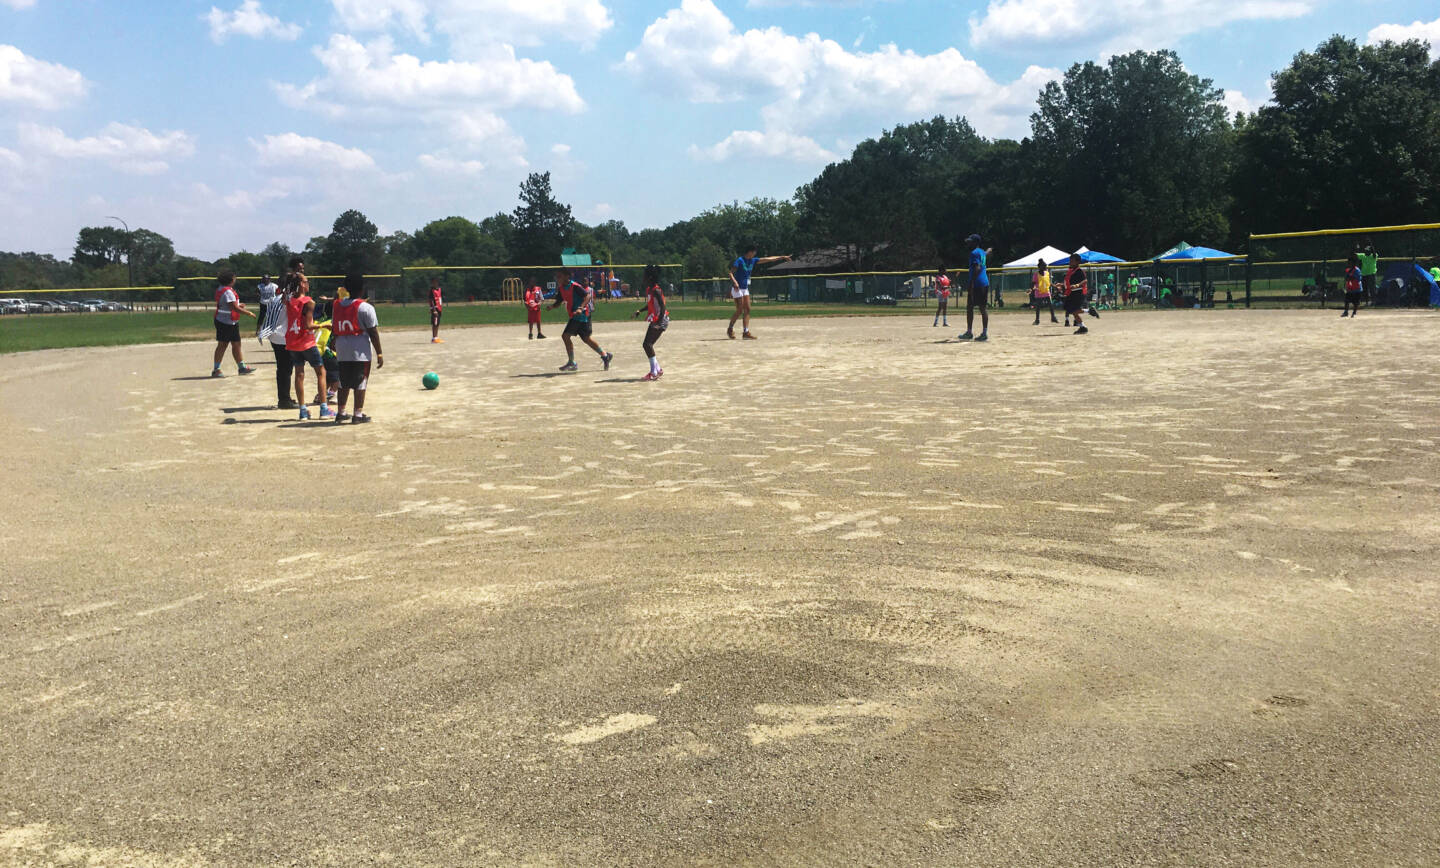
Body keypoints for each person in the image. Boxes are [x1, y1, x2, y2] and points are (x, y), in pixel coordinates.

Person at [331, 273, 383, 423]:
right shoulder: (365, 307)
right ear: (362, 289)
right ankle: (357, 415)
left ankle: (341, 413)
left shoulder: (337, 305)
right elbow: (373, 332)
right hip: (359, 350)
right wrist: (379, 353)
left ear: (346, 288)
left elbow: (335, 327)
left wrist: (334, 343)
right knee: (361, 381)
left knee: (343, 381)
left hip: (342, 348)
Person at [285, 274, 333, 420]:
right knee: (321, 372)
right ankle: (324, 408)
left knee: (299, 374)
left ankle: (302, 410)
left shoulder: (289, 300)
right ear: (301, 285)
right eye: (306, 281)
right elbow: (308, 325)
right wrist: (325, 325)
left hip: (292, 342)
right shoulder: (308, 302)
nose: (308, 283)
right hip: (306, 342)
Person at [548, 267, 612, 372]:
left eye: (559, 276)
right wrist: (552, 306)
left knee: (565, 336)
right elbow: (559, 300)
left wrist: (581, 308)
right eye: (557, 276)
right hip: (576, 316)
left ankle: (572, 362)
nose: (557, 278)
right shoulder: (562, 288)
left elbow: (587, 296)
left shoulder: (575, 286)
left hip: (580, 315)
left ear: (567, 276)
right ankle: (605, 355)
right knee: (586, 339)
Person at [728, 245, 791, 340]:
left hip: (745, 288)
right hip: (737, 288)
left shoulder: (753, 261)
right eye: (754, 252)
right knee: (740, 310)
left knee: (748, 309)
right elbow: (730, 273)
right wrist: (735, 282)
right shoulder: (740, 260)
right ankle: (730, 328)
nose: (755, 254)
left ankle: (746, 332)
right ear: (749, 252)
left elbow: (768, 259)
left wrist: (782, 257)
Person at [257, 273, 295, 409]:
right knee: (285, 369)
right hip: (283, 337)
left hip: (275, 336)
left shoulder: (276, 298)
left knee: (283, 368)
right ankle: (284, 399)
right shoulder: (289, 299)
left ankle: (285, 397)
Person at [211, 270, 257, 377]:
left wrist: (238, 304)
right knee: (223, 344)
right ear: (231, 280)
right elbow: (233, 307)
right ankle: (216, 369)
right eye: (234, 278)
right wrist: (248, 313)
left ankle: (242, 367)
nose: (235, 279)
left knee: (236, 344)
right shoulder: (227, 291)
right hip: (224, 321)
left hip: (230, 321)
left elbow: (229, 304)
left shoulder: (223, 289)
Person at [632, 264, 668, 381]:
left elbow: (662, 307)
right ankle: (658, 369)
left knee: (647, 344)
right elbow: (650, 305)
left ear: (650, 277)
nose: (643, 277)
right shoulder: (649, 290)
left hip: (660, 319)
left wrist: (659, 322)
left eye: (645, 275)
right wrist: (640, 311)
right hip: (656, 319)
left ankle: (654, 372)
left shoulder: (656, 290)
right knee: (647, 344)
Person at [958, 233, 991, 342]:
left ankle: (969, 332)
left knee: (970, 307)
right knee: (982, 308)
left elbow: (976, 268)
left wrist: (971, 283)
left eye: (970, 242)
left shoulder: (974, 253)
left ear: (975, 243)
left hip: (977, 284)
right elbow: (985, 253)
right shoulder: (981, 252)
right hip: (985, 282)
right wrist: (989, 251)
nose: (968, 243)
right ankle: (984, 332)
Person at [1063, 256, 1089, 335]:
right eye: (1070, 260)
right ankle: (1082, 327)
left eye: (1072, 261)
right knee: (1070, 309)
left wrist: (1077, 285)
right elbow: (1069, 282)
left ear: (1077, 262)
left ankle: (1084, 324)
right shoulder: (1071, 271)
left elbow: (1085, 280)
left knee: (1073, 310)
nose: (1070, 262)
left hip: (1078, 293)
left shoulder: (1079, 270)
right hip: (1072, 293)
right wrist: (1061, 285)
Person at [1032, 259, 1058, 325]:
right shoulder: (1036, 274)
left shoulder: (1047, 273)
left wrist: (1055, 286)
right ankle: (1037, 320)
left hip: (1046, 291)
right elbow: (1033, 283)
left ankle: (1053, 317)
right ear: (1040, 267)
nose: (1045, 267)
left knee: (1051, 305)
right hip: (1039, 291)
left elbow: (1048, 282)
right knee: (1038, 306)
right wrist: (1032, 288)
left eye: (1045, 266)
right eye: (1044, 266)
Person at [1356, 238, 1379, 303]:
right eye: (1365, 251)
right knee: (1365, 288)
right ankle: (1366, 301)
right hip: (1364, 274)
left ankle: (1373, 301)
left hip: (1372, 274)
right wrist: (1357, 247)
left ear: (1370, 251)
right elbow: (1355, 255)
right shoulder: (1363, 256)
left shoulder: (1373, 256)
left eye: (1367, 251)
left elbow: (1374, 253)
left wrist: (1371, 245)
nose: (1365, 252)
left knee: (1372, 288)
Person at [1341, 253, 1363, 318]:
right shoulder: (1347, 270)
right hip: (1350, 288)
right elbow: (1346, 278)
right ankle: (1346, 312)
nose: (1349, 264)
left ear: (1354, 263)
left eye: (1350, 263)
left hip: (1357, 289)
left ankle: (1354, 312)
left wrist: (1350, 277)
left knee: (1355, 302)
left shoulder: (1357, 270)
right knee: (1346, 300)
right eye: (1348, 263)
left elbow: (1358, 278)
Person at [428, 276, 444, 343]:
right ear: (432, 283)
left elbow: (439, 299)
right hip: (435, 309)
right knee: (435, 323)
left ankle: (436, 337)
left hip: (439, 308)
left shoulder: (439, 289)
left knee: (437, 323)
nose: (435, 283)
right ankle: (434, 338)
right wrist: (433, 309)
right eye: (434, 282)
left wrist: (440, 308)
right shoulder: (432, 290)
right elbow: (431, 300)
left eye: (436, 282)